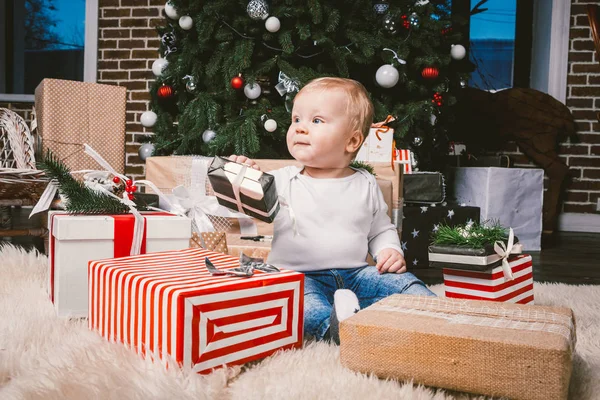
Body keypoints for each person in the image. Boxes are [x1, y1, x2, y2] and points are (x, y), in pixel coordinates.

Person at [229, 77, 435, 344]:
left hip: (357, 274)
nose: (300, 129)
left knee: (403, 284)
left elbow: (380, 229)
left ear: (352, 141)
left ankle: (434, 314)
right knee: (305, 307)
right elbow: (254, 207)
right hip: (300, 276)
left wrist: (389, 251)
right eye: (296, 120)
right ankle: (337, 330)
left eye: (316, 121)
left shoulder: (365, 183)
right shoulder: (282, 180)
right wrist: (244, 177)